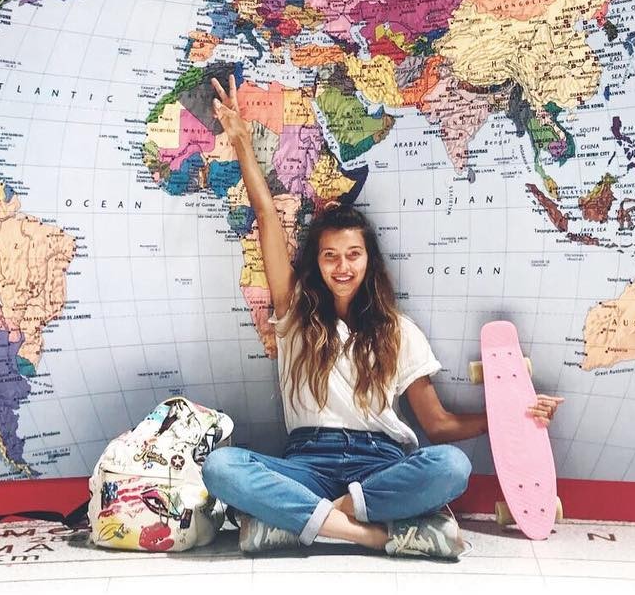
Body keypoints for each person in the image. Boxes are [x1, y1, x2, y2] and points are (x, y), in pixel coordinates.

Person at [201, 75, 564, 560]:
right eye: (330, 256)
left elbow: (438, 425)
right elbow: (268, 216)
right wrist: (243, 143)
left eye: (353, 255)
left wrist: (512, 414)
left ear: (368, 260)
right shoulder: (294, 316)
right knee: (221, 467)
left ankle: (302, 522)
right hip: (306, 463)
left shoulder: (399, 330)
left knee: (451, 467)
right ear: (317, 264)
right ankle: (375, 535)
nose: (342, 267)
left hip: (380, 464)